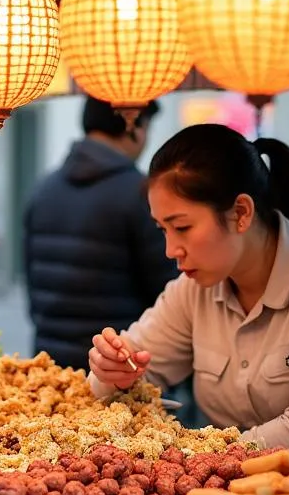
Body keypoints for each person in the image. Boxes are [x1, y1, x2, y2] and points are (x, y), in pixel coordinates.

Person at [87, 124, 289, 448]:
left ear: (241, 213)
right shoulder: (195, 288)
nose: (171, 250)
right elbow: (118, 378)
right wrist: (111, 373)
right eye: (163, 230)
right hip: (243, 489)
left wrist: (200, 459)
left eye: (182, 227)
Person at [24, 96, 177, 371]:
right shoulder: (143, 193)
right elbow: (167, 290)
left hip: (50, 364)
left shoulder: (44, 188)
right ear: (135, 126)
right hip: (119, 364)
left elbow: (31, 280)